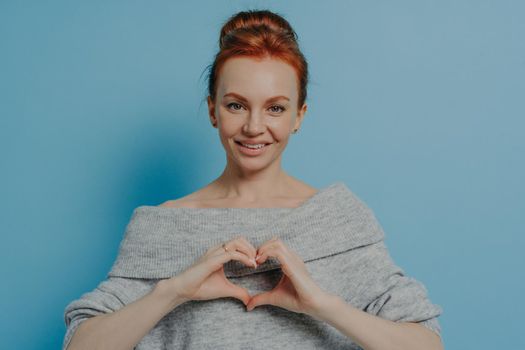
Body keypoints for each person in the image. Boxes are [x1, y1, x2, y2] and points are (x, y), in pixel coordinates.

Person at [62, 9, 444, 350]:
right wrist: (174, 290)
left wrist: (323, 304)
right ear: (213, 110)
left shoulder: (336, 219)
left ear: (299, 115)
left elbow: (427, 345)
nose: (254, 127)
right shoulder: (162, 226)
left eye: (275, 108)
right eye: (236, 105)